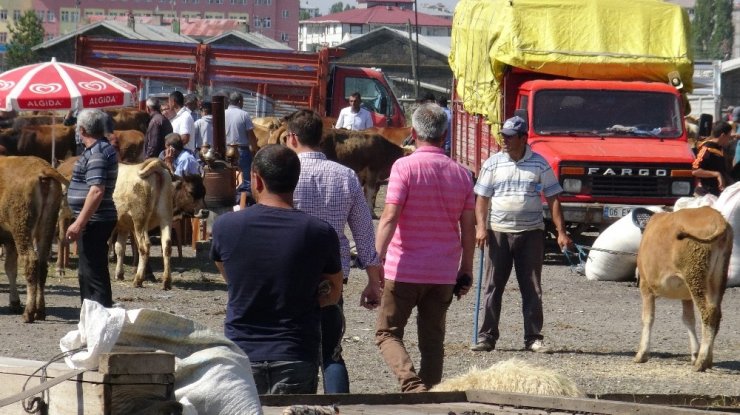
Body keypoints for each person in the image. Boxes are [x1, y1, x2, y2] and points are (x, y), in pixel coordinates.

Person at [210, 144, 343, 395]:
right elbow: (333, 293)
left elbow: (227, 273)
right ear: (296, 179)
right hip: (295, 353)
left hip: (241, 352)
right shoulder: (319, 232)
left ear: (256, 180)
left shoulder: (225, 227)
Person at [374, 103, 475, 393]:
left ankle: (411, 384)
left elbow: (390, 217)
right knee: (433, 342)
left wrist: (375, 259)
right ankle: (431, 400)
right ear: (445, 135)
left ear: (414, 132)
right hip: (442, 273)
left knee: (387, 332)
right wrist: (465, 269)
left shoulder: (404, 167)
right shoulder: (462, 174)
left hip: (404, 268)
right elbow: (468, 228)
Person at [285, 109, 383, 393]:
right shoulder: (346, 176)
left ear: (292, 138)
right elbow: (364, 232)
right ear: (323, 137)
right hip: (334, 272)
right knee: (331, 351)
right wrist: (374, 281)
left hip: (291, 268)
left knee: (293, 347)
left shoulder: (285, 173)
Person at [470, 115, 572, 354]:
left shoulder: (539, 164)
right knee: (493, 286)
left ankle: (533, 338)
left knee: (532, 287)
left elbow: (554, 198)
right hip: (499, 233)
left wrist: (561, 232)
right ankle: (487, 337)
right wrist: (481, 227)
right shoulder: (493, 163)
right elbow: (482, 198)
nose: (504, 140)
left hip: (531, 233)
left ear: (523, 138)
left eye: (509, 136)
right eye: (502, 136)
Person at [65, 109, 119, 308]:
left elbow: (96, 191)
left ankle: (100, 323)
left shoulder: (97, 153)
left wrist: (79, 223)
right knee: (87, 273)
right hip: (95, 219)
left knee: (94, 275)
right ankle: (90, 321)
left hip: (95, 219)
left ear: (82, 129)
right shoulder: (100, 149)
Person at [225, 92, 259, 185]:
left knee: (227, 178)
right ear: (240, 102)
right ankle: (243, 197)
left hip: (225, 150)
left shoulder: (222, 113)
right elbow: (251, 135)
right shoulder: (244, 114)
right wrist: (255, 150)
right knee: (245, 180)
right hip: (242, 152)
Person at [694, 121, 733, 195]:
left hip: (718, 192)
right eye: (729, 136)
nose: (729, 139)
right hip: (706, 193)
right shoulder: (705, 149)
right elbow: (695, 171)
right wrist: (716, 174)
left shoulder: (720, 149)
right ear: (723, 135)